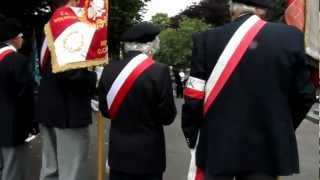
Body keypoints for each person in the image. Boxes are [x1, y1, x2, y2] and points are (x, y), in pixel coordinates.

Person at [182, 0, 316, 180]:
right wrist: (280, 126)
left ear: (231, 8)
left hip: (217, 145)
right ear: (262, 10)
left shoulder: (205, 39)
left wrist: (193, 135)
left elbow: (194, 95)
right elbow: (305, 95)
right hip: (267, 146)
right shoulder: (291, 37)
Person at [98, 23, 177, 180]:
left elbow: (105, 110)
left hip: (119, 154)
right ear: (149, 45)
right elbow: (167, 117)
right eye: (157, 40)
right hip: (148, 156)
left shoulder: (109, 70)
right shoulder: (159, 70)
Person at [36, 1, 97, 180]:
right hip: (68, 112)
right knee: (71, 172)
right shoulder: (69, 25)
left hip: (49, 108)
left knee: (50, 170)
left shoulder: (51, 23)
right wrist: (94, 77)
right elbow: (71, 73)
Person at [0, 15, 37, 180]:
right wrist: (32, 123)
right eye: (21, 36)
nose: (22, 39)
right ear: (14, 38)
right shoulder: (18, 61)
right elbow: (26, 98)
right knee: (13, 171)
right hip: (12, 128)